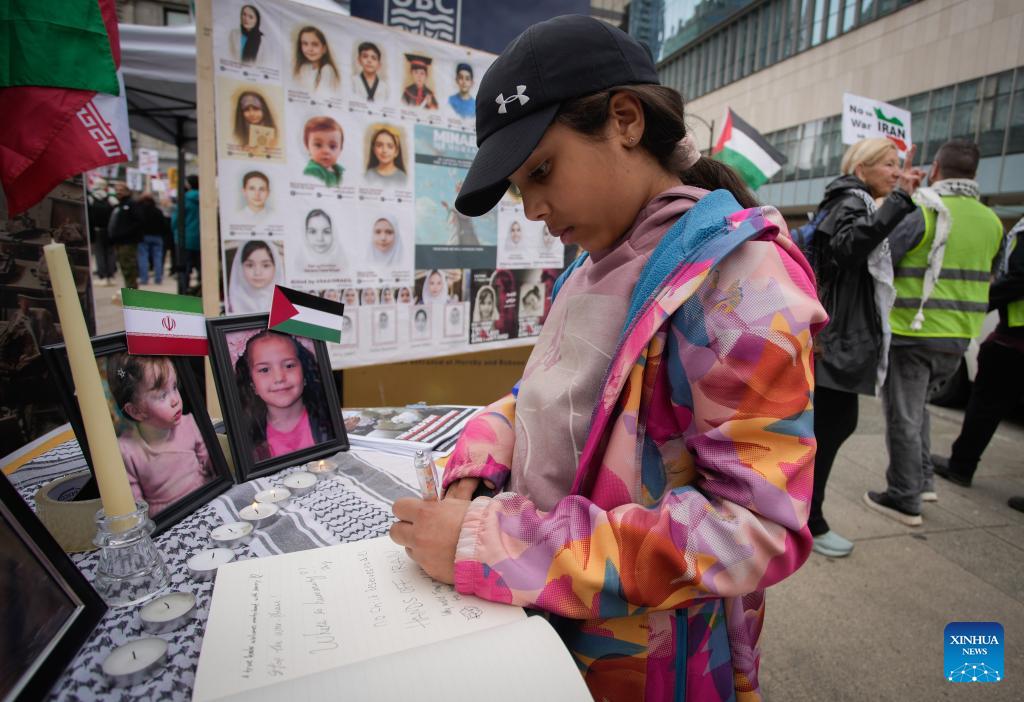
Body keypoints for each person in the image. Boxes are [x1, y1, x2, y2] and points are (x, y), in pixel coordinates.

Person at [387, 16, 825, 702]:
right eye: (519, 188)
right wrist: (476, 468)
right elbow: (538, 399)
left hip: (644, 668)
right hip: (549, 637)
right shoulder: (593, 267)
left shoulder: (741, 285)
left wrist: (492, 544)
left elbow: (757, 530)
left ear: (625, 120)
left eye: (541, 171)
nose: (533, 208)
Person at [863, 140, 1004, 525]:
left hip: (913, 333)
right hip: (959, 337)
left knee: (903, 417)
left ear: (936, 169)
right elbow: (994, 273)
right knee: (917, 411)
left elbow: (881, 260)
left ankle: (904, 496)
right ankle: (923, 480)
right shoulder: (992, 221)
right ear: (975, 173)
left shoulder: (927, 211)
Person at [806, 137, 923, 556]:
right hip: (834, 341)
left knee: (828, 429)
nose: (897, 172)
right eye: (888, 164)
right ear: (861, 169)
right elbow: (847, 248)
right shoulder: (850, 202)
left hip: (837, 339)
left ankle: (804, 516)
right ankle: (809, 521)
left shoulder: (855, 202)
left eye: (898, 164)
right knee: (828, 430)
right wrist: (900, 201)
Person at [932, 216, 1023, 493]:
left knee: (986, 404)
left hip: (1015, 336)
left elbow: (1018, 278)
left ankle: (961, 465)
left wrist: (979, 302)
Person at [106, 354, 214, 516]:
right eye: (163, 395)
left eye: (174, 387)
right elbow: (135, 507)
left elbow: (211, 467)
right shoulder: (128, 451)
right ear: (135, 411)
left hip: (206, 501)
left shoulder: (189, 424)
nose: (175, 400)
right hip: (168, 519)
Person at [235, 331, 332, 461]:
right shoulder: (246, 439)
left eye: (289, 365)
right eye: (264, 369)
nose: (279, 378)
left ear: (304, 372)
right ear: (252, 384)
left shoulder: (330, 423)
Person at [227, 239, 282, 314]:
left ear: (276, 267)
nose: (257, 272)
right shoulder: (229, 305)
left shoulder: (288, 302)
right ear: (240, 268)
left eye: (266, 265)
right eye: (250, 265)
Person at [107, 180, 142, 290]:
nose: (118, 192)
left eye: (121, 190)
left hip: (128, 242)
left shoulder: (131, 204)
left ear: (127, 191)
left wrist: (125, 233)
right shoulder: (119, 205)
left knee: (129, 268)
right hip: (119, 241)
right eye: (117, 190)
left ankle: (132, 290)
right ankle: (129, 289)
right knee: (124, 266)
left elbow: (138, 222)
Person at [171, 174, 201, 294]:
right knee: (202, 269)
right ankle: (201, 292)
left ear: (188, 184)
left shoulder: (184, 200)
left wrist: (175, 233)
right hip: (202, 239)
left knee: (184, 269)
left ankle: (184, 293)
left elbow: (176, 220)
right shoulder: (206, 198)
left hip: (184, 239)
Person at [87, 177, 118, 285]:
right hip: (109, 229)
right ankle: (111, 274)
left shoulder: (90, 198)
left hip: (96, 230)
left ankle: (102, 275)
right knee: (110, 252)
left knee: (99, 253)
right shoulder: (111, 199)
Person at [135, 194, 171, 285]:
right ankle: (158, 278)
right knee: (158, 257)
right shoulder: (158, 211)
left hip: (143, 237)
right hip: (157, 237)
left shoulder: (139, 211)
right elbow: (164, 225)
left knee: (143, 257)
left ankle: (144, 278)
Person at [293, 26, 339, 94]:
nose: (310, 49)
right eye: (305, 44)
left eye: (315, 44)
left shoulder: (327, 69)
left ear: (324, 49)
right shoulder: (303, 68)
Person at [302, 116, 344, 187]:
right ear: (307, 146)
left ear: (340, 149)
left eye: (332, 146)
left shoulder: (339, 170)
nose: (326, 151)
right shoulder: (313, 171)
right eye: (318, 145)